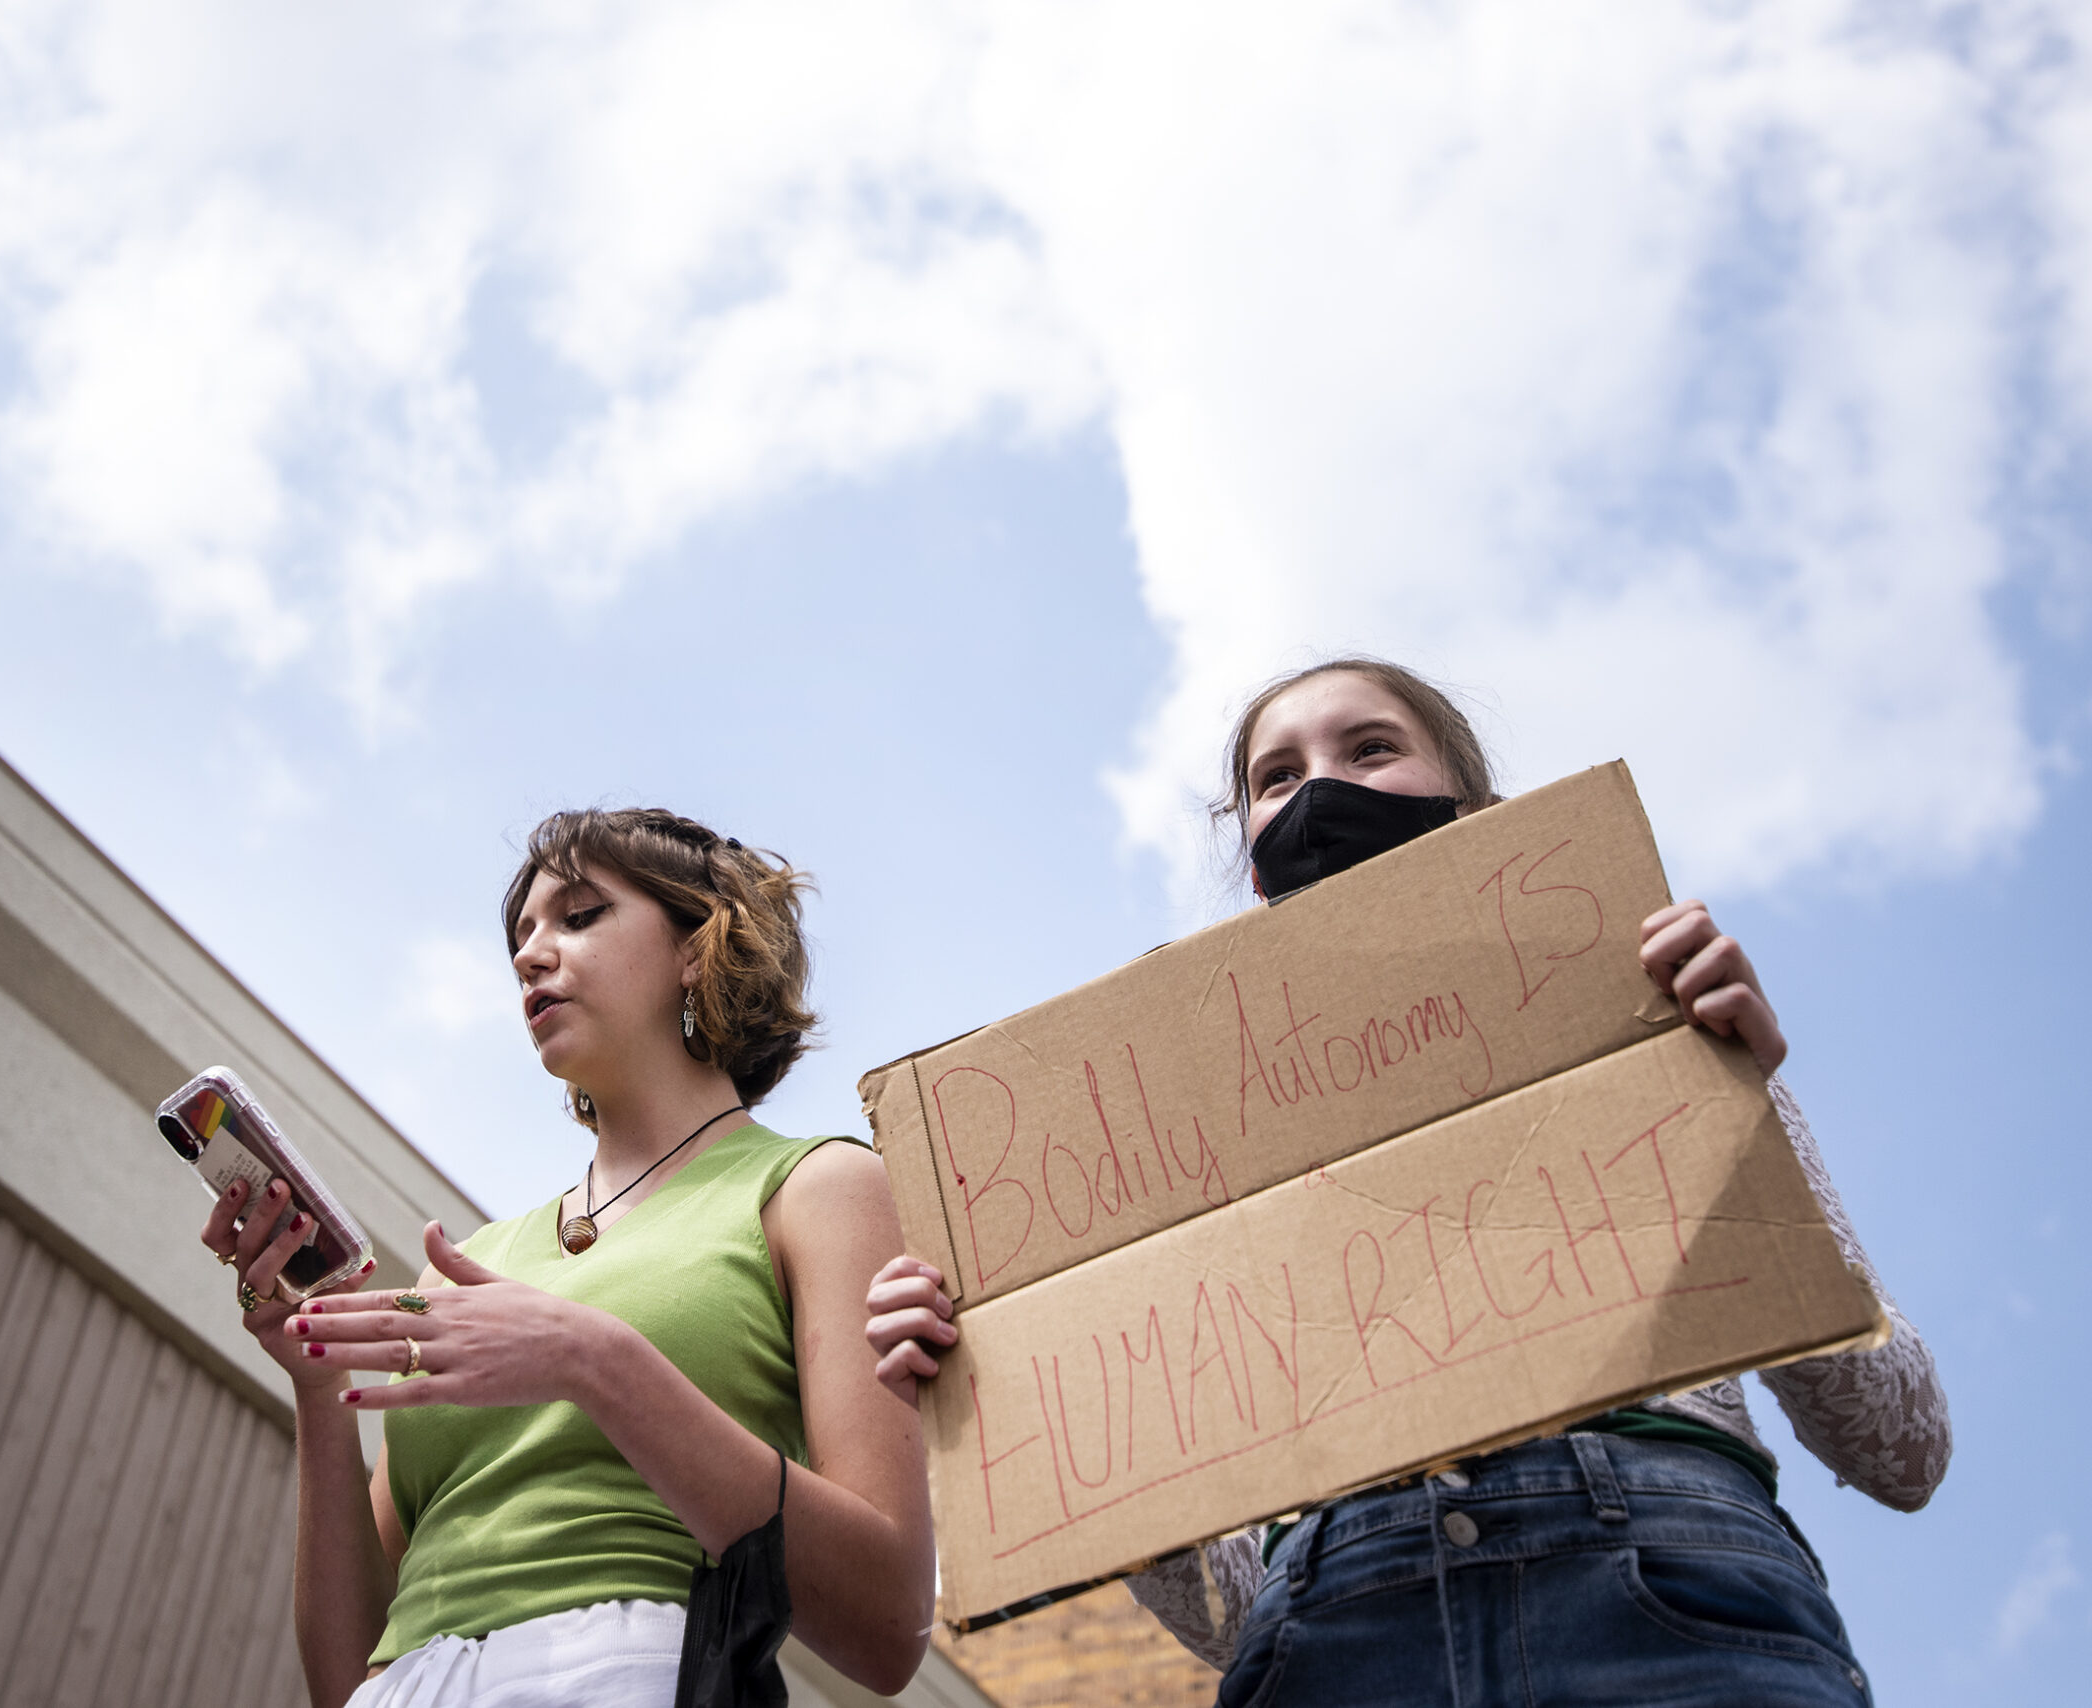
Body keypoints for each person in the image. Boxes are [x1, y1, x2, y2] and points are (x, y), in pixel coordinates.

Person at [866, 659, 1951, 1707]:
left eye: (1370, 747)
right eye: (1275, 777)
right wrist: (1036, 1396)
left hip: (1667, 1577)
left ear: (1477, 806)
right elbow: (1237, 1620)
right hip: (1337, 1625)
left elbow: (1899, 1447)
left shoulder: (1646, 1004)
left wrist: (1732, 1121)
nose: (1320, 790)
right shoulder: (1177, 1154)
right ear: (1249, 854)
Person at [215, 808, 935, 1708]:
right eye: (521, 935)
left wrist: (593, 1359)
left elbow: (888, 1623)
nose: (529, 954)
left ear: (701, 946)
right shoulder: (463, 1267)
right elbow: (342, 1678)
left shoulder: (820, 1188)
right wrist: (319, 1390)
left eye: (581, 915)